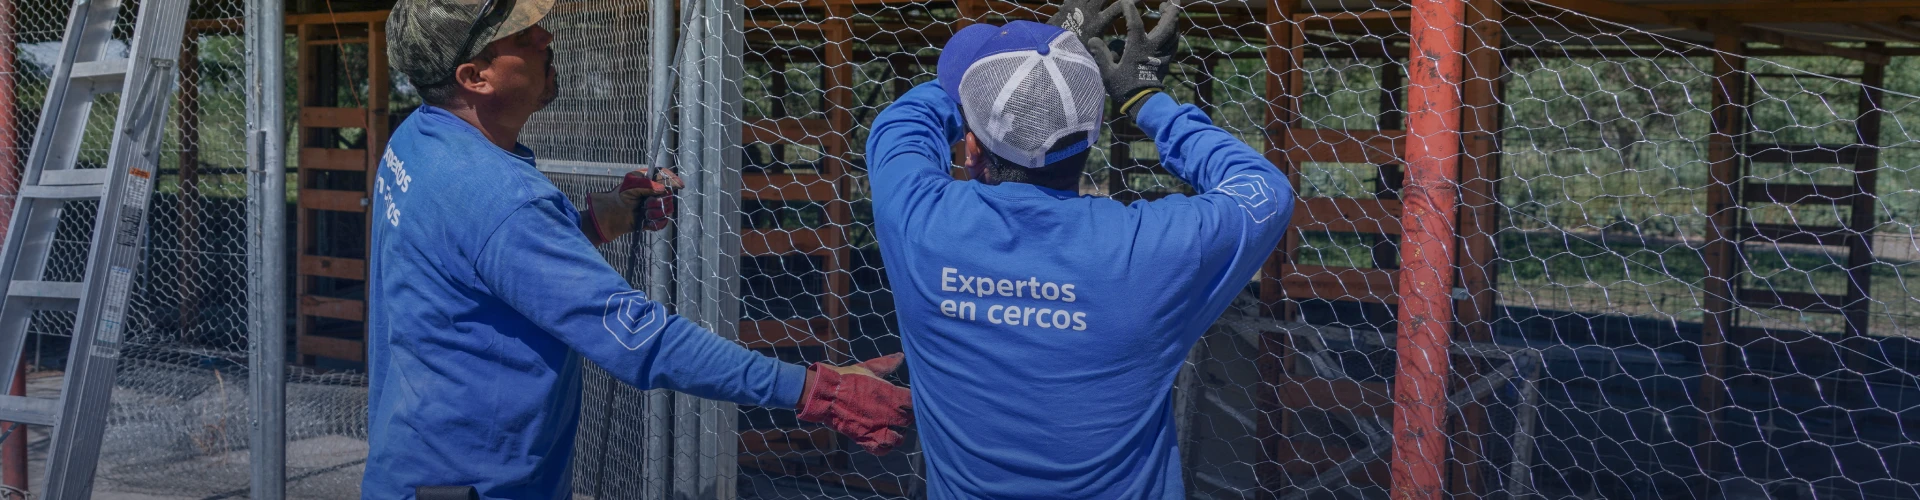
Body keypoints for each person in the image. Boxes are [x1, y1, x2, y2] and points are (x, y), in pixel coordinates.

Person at [365, 0, 913, 497]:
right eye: (521, 37)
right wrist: (819, 392)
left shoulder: (417, 142)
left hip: (418, 462)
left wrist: (589, 225)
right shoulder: (499, 198)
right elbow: (639, 340)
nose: (545, 37)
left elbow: (479, 267)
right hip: (474, 485)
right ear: (473, 76)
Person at [864, 0, 1295, 496]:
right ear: (1090, 141)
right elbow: (1265, 191)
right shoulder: (1151, 251)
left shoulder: (919, 220)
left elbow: (902, 123)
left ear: (971, 150)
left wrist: (1023, 70)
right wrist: (1144, 98)